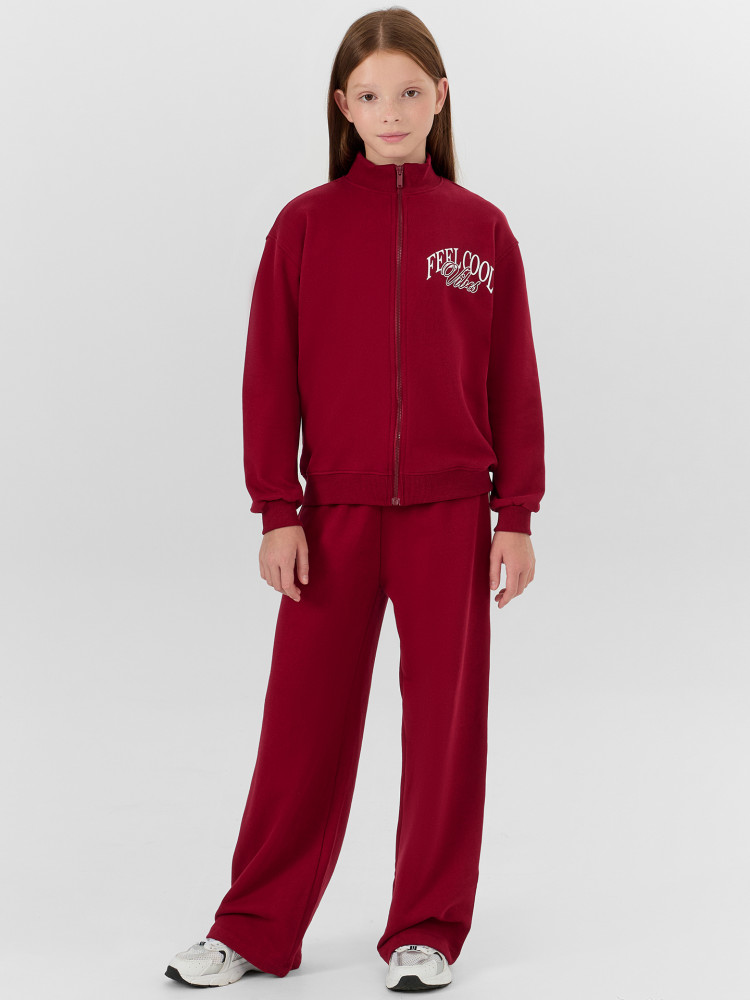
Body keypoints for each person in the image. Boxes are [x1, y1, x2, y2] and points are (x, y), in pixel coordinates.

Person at [165, 6, 545, 992]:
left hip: (452, 516)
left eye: (410, 92)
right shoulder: (303, 226)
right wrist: (276, 509)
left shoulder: (482, 230)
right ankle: (255, 926)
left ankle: (426, 928)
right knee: (302, 727)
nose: (392, 112)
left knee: (444, 733)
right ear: (343, 105)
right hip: (330, 517)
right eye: (371, 95)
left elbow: (513, 379)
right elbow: (268, 378)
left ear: (441, 97)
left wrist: (516, 515)